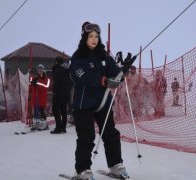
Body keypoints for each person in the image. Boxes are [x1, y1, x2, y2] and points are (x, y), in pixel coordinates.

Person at [69, 21, 135, 179]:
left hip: (103, 101)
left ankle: (115, 165)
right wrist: (103, 80)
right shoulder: (78, 57)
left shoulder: (104, 56)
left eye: (96, 36)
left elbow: (115, 72)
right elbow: (81, 75)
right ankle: (83, 170)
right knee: (87, 136)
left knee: (111, 133)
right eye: (91, 36)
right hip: (84, 103)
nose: (94, 39)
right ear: (85, 37)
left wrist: (123, 70)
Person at [50, 56, 71, 134]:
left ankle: (58, 128)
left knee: (55, 110)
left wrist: (54, 91)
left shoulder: (58, 70)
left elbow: (56, 82)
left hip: (58, 93)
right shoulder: (67, 70)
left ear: (57, 62)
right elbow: (71, 82)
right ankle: (63, 128)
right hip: (66, 94)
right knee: (63, 110)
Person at [29, 64, 50, 130]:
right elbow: (30, 88)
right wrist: (32, 84)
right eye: (38, 70)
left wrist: (37, 84)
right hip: (35, 97)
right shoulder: (33, 78)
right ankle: (36, 123)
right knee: (35, 111)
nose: (40, 71)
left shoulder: (47, 79)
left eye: (41, 70)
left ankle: (44, 124)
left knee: (41, 111)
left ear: (43, 70)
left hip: (42, 98)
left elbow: (46, 87)